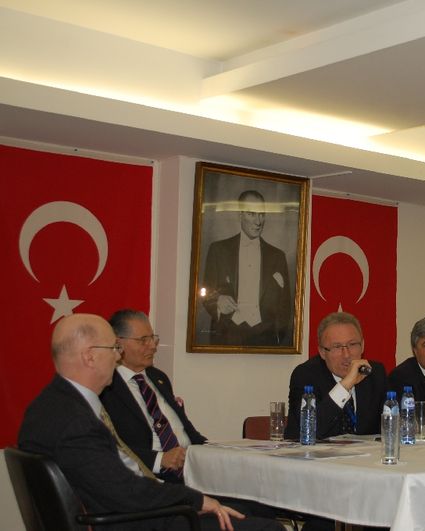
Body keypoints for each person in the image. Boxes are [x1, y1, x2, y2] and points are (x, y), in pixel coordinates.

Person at [17, 313, 282, 531]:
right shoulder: (74, 421)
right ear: (89, 356)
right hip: (136, 521)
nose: (117, 357)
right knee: (268, 528)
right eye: (113, 348)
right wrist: (195, 500)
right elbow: (126, 491)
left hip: (132, 512)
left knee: (251, 512)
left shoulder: (53, 405)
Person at [101, 309, 206, 482]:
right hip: (150, 478)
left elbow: (189, 433)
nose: (152, 346)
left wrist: (215, 451)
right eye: (143, 340)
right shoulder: (106, 386)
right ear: (118, 343)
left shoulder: (158, 377)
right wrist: (159, 460)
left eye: (153, 338)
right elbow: (109, 447)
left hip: (192, 469)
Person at [201, 190, 292, 346]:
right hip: (226, 336)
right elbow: (205, 292)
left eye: (261, 214)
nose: (258, 221)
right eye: (251, 214)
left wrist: (277, 338)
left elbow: (285, 305)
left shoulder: (278, 256)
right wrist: (217, 301)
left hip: (266, 339)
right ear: (240, 215)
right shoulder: (218, 250)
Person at [285, 311, 387, 440]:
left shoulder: (374, 373)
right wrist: (345, 385)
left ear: (363, 346)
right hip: (312, 452)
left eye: (352, 344)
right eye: (337, 347)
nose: (346, 354)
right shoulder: (305, 375)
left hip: (365, 452)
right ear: (322, 352)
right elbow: (310, 430)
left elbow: (391, 425)